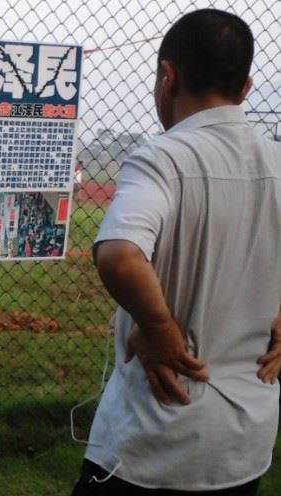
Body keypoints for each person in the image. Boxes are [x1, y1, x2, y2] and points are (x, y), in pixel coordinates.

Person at [72, 9, 281, 496]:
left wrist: (160, 328)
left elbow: (120, 255)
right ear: (246, 88)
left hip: (152, 442)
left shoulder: (162, 158)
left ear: (168, 77)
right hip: (244, 444)